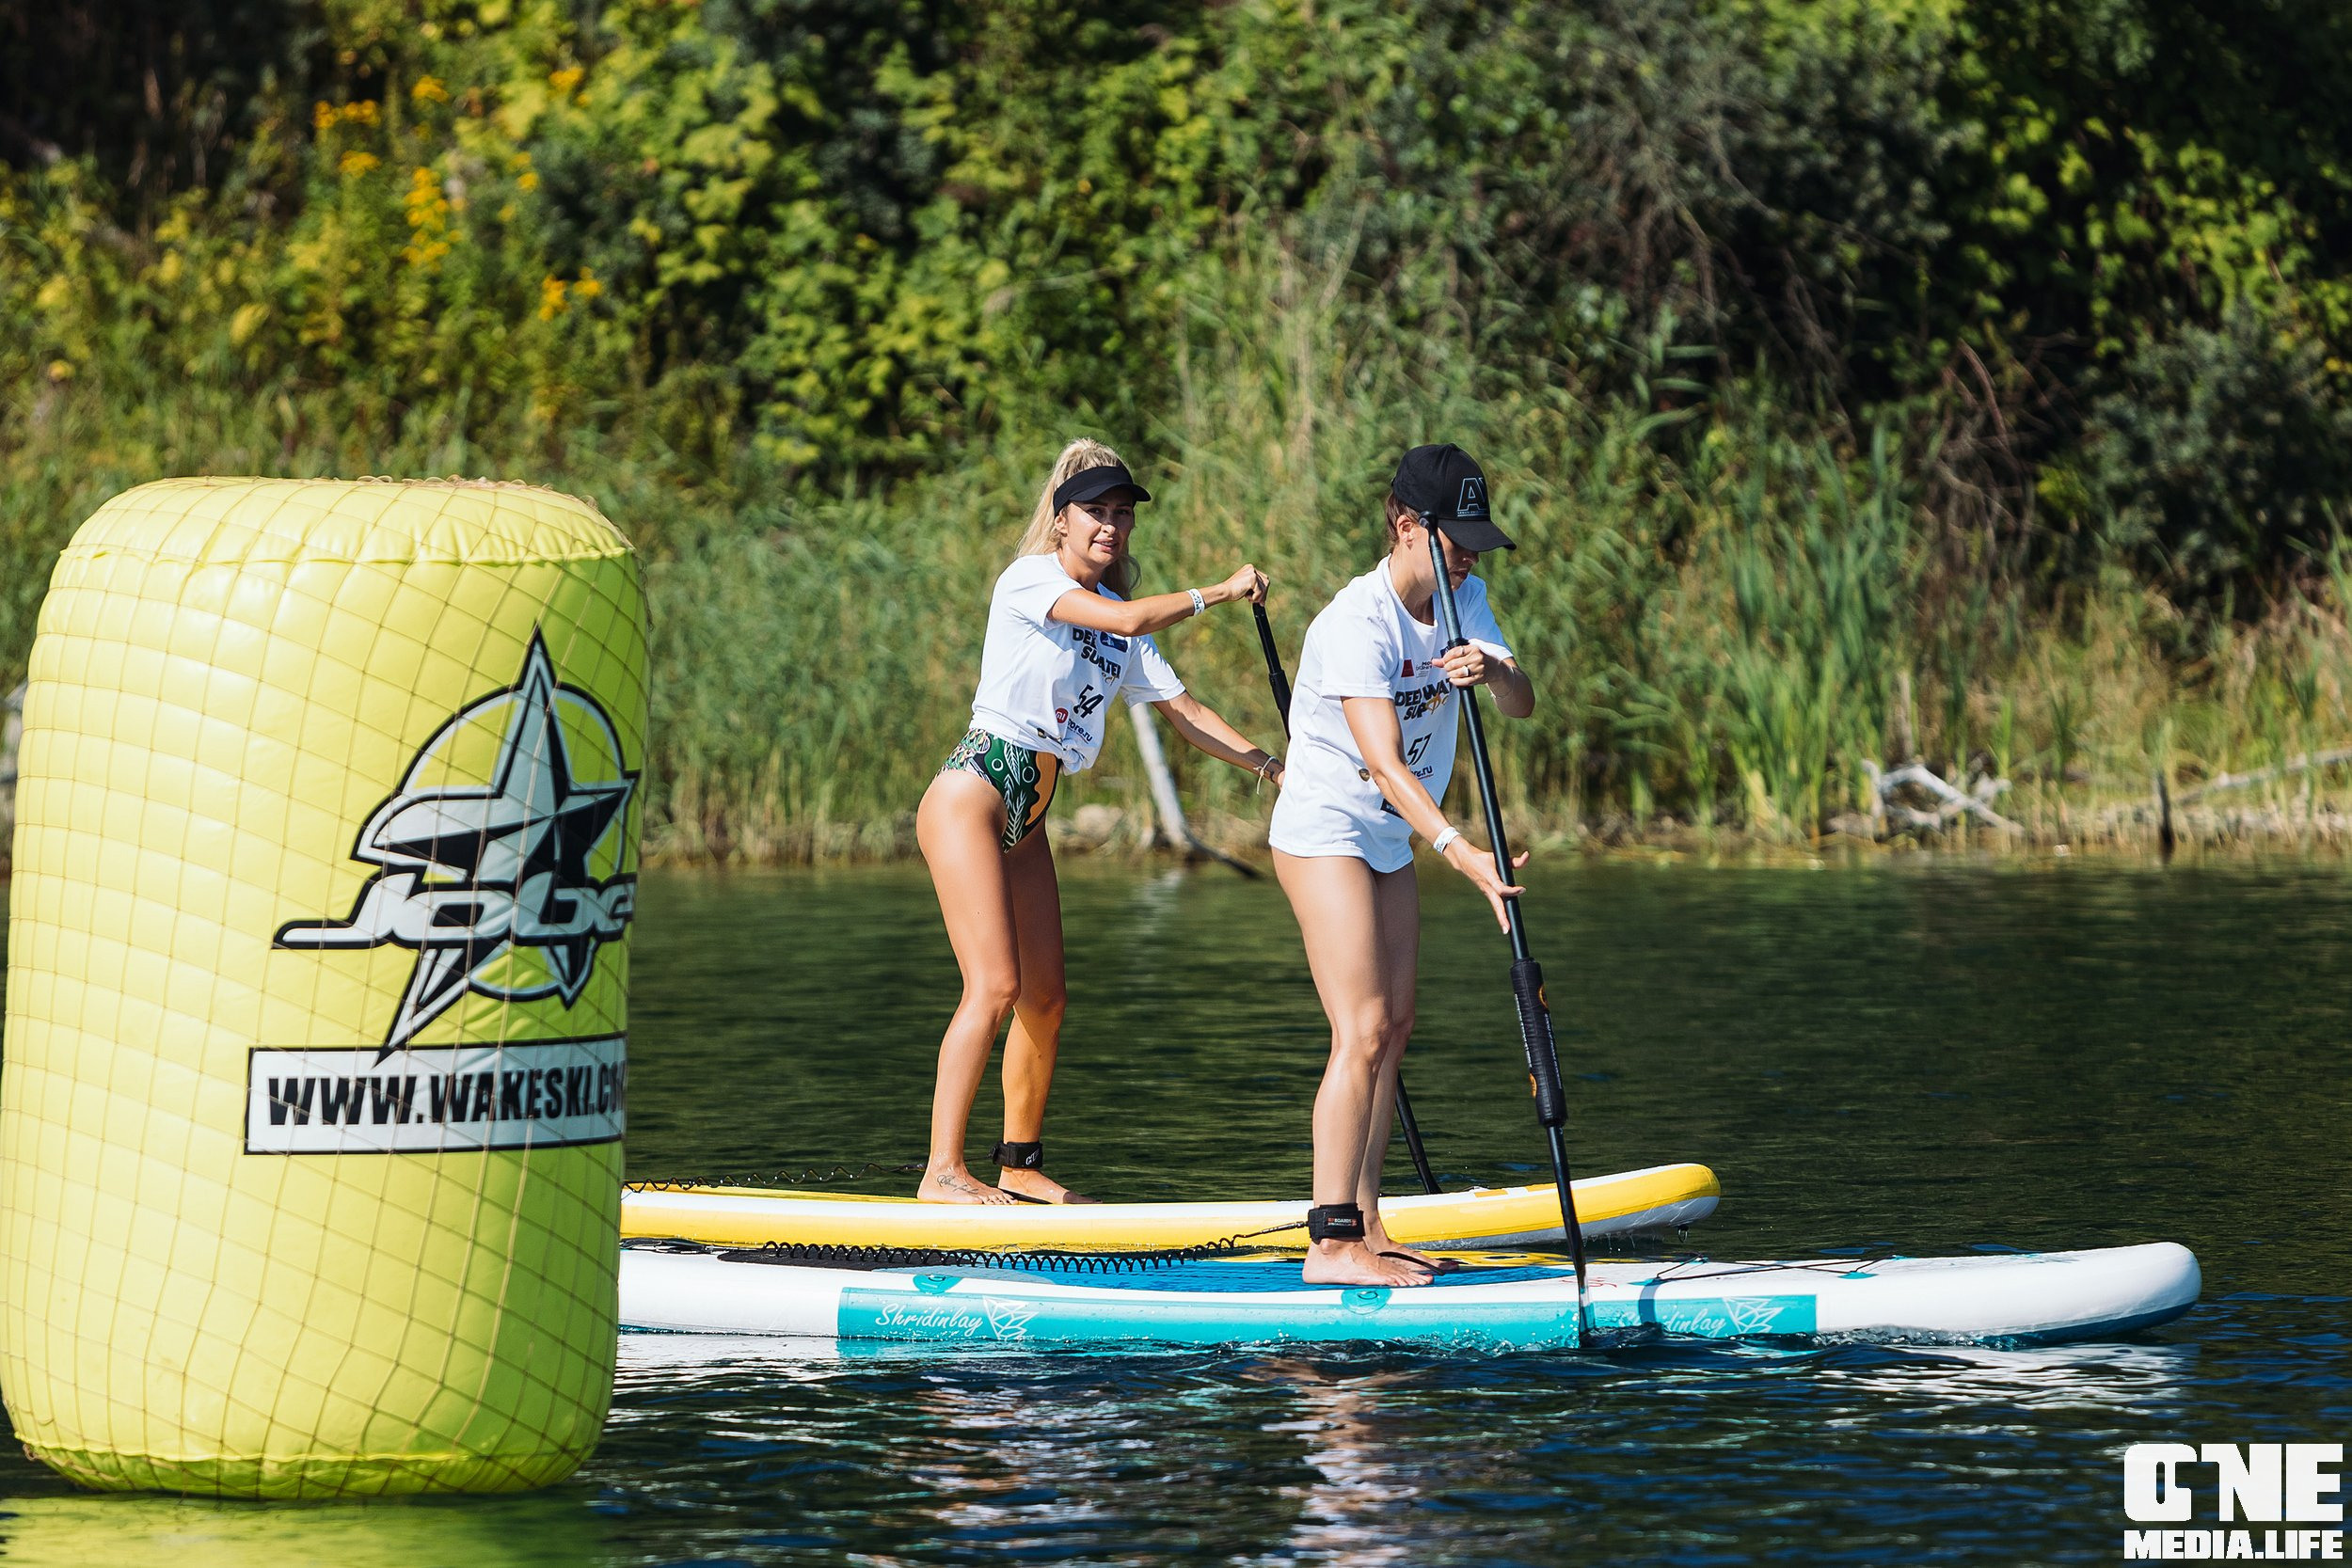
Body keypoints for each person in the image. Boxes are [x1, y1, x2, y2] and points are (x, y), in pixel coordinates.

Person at [916, 438, 1285, 1205]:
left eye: (1122, 515)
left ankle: (1017, 1163)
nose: (1110, 526)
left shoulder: (1125, 623)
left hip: (1030, 820)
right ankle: (942, 1172)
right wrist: (1217, 591)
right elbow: (1125, 623)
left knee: (1045, 998)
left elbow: (1186, 714)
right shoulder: (1030, 582)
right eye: (1096, 511)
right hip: (974, 794)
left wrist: (1272, 767)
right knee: (993, 985)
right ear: (1062, 520)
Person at [1267, 443, 1534, 1286]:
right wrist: (1463, 854)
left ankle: (1371, 1224)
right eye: (1456, 539)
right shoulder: (1356, 621)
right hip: (1325, 828)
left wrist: (1492, 669)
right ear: (1406, 525)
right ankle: (1328, 1240)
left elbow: (1522, 699)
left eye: (1477, 543)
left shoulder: (1469, 600)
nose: (1468, 556)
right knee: (1362, 1027)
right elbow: (1384, 764)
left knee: (1397, 1029)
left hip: (1388, 837)